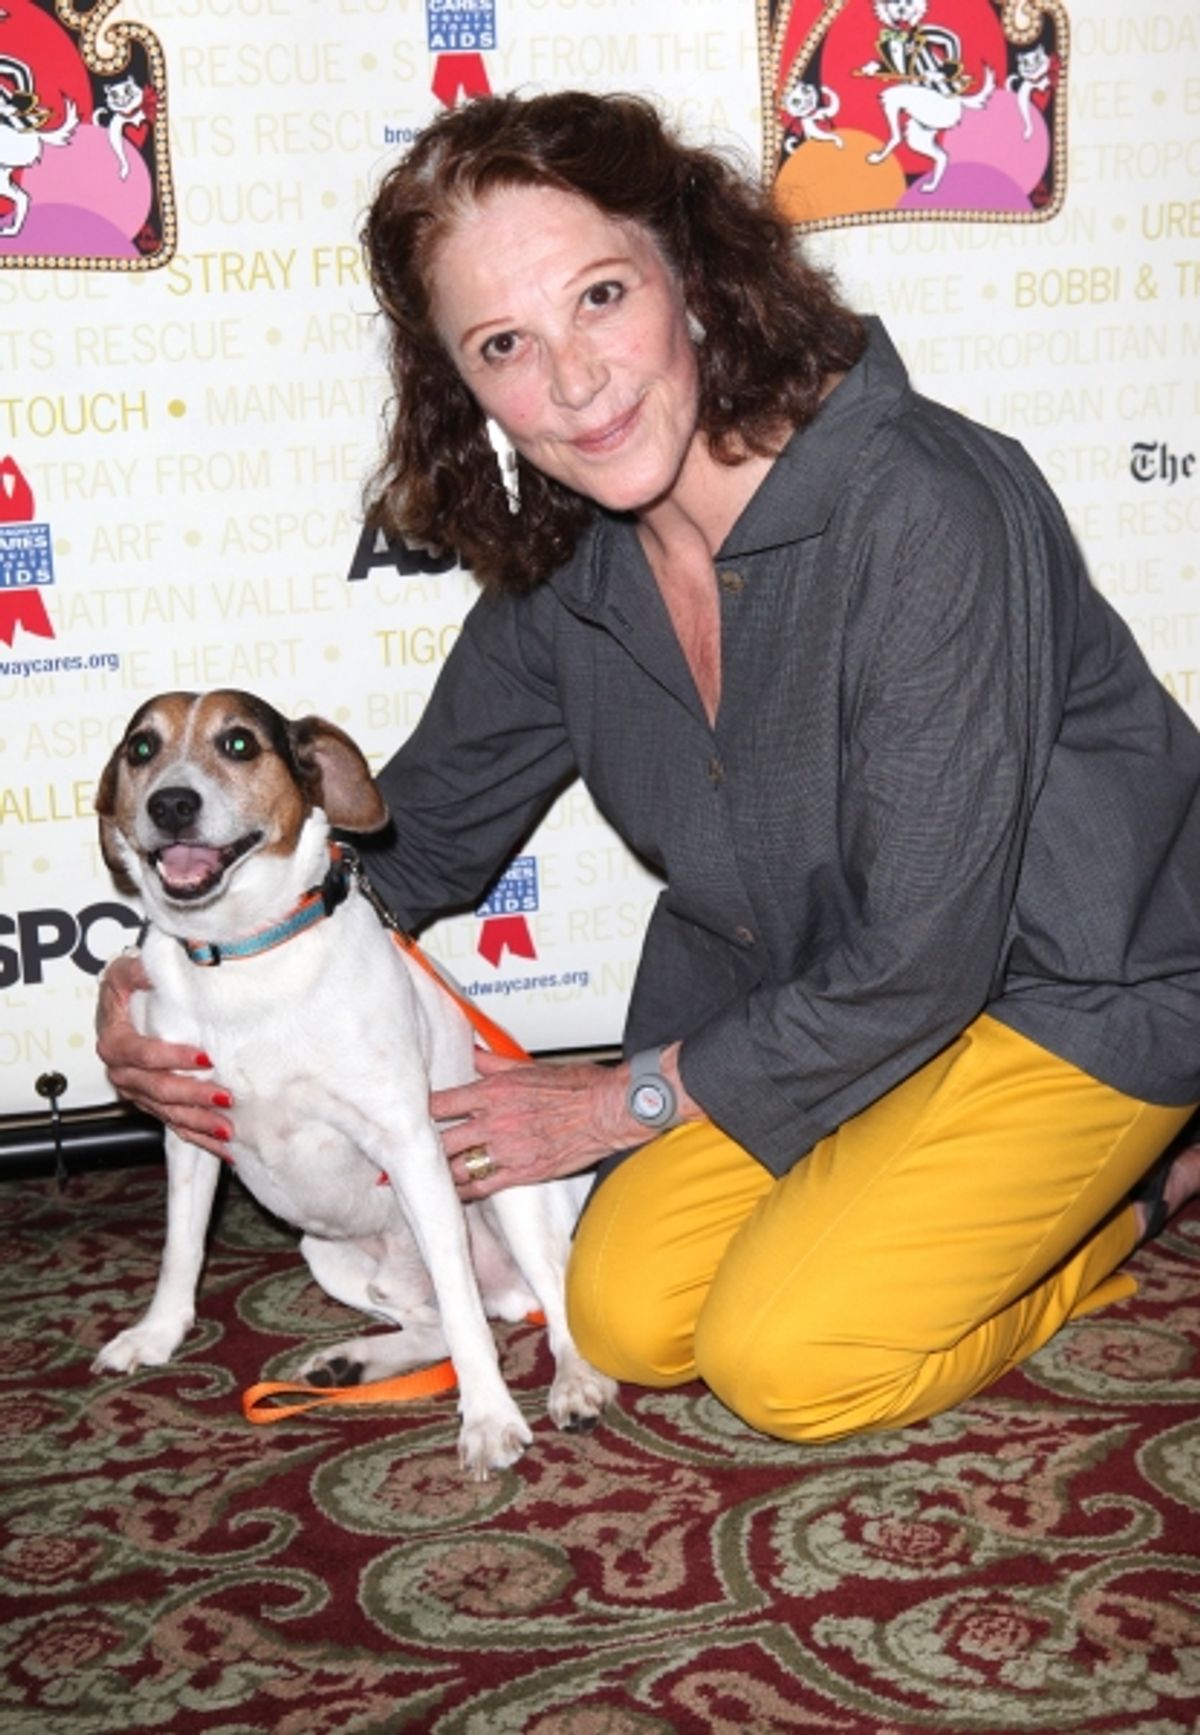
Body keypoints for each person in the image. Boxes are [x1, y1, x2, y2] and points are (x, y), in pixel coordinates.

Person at [97, 90, 1200, 1444]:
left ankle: (1138, 1195)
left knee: (786, 1362)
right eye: (504, 343)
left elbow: (927, 953)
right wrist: (171, 973)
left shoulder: (929, 510)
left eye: (602, 296)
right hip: (810, 1012)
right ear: (464, 385)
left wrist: (622, 1094)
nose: (571, 381)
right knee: (623, 1318)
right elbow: (406, 844)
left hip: (1072, 991)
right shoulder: (570, 568)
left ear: (696, 270)